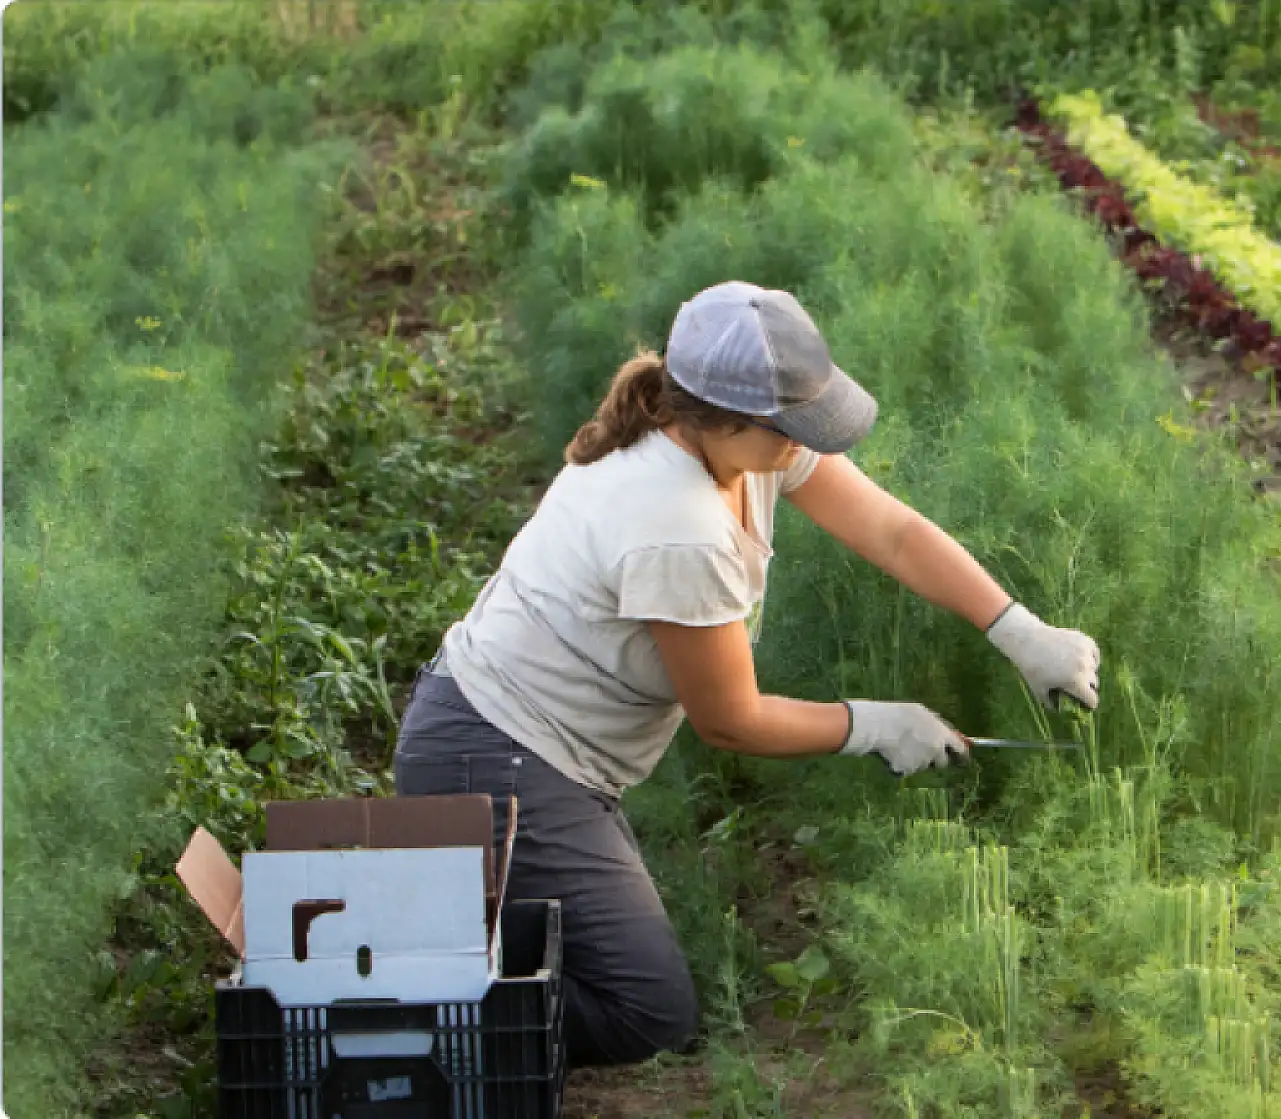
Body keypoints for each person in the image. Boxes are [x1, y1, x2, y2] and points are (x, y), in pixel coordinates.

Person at [391, 281, 1102, 1065]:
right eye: (792, 428)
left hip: (529, 750)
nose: (807, 443)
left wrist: (1020, 630)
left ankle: (464, 950)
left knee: (564, 946)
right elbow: (730, 718)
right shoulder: (676, 522)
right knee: (647, 1010)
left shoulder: (738, 445)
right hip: (498, 753)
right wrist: (879, 725)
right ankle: (409, 1035)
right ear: (724, 419)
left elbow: (892, 532)